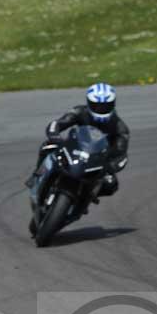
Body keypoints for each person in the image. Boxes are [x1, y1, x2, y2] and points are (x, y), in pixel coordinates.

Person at [27, 83, 129, 232]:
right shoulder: (80, 111)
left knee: (111, 184)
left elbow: (121, 154)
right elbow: (58, 123)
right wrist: (55, 135)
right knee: (47, 146)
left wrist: (110, 167)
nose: (101, 109)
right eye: (97, 105)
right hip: (73, 151)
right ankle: (36, 175)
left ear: (113, 104)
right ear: (89, 103)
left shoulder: (120, 127)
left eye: (105, 106)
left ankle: (85, 200)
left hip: (97, 163)